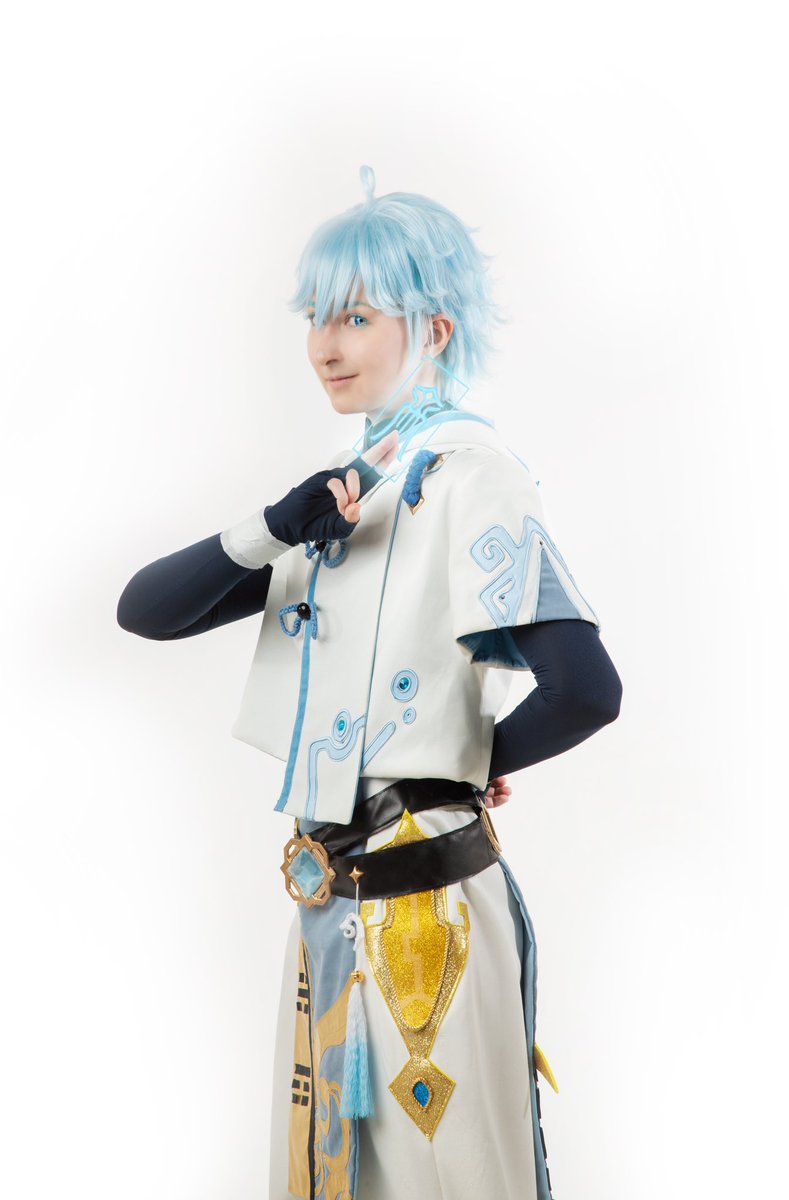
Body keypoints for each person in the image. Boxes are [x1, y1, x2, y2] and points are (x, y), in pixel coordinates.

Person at [117, 165, 623, 1200]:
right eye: (316, 316)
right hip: (326, 904)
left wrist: (458, 762)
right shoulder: (338, 499)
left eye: (355, 315)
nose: (325, 345)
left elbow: (586, 688)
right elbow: (147, 610)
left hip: (429, 911)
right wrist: (278, 521)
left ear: (433, 328)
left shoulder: (472, 473)